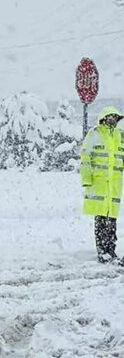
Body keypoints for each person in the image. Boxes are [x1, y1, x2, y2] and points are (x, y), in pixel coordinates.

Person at [80, 106, 124, 264]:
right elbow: (86, 158)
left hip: (114, 186)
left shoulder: (120, 136)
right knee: (101, 219)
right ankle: (102, 251)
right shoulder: (95, 134)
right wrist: (87, 179)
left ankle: (110, 250)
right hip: (98, 184)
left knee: (111, 219)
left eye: (115, 117)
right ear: (104, 118)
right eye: (110, 116)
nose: (112, 119)